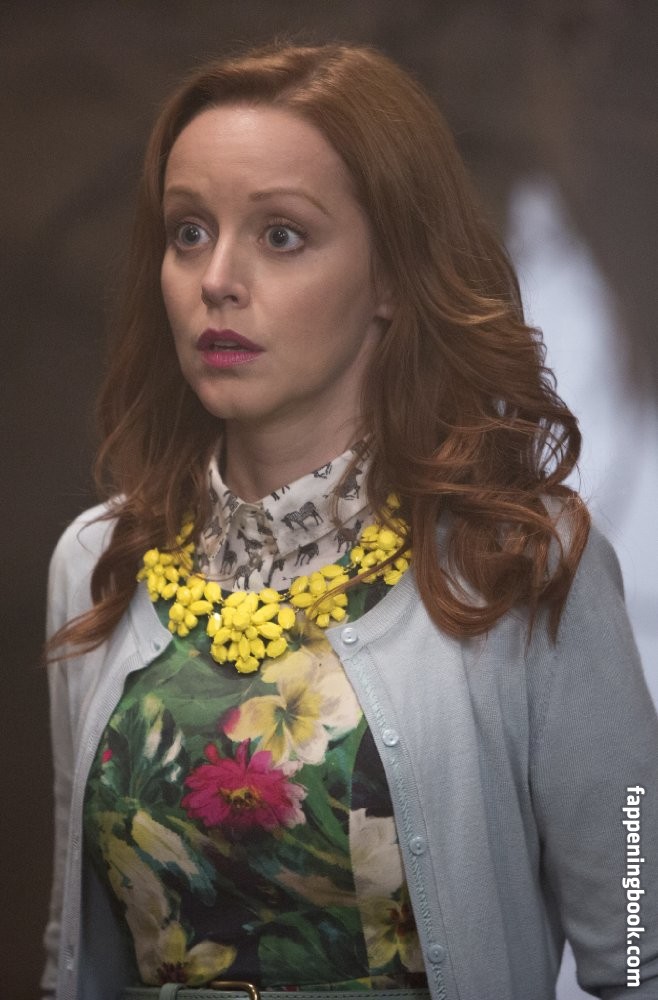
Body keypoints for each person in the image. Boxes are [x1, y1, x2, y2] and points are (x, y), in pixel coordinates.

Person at [42, 42, 658, 1000]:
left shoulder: (519, 559)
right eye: (189, 231)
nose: (217, 279)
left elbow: (639, 930)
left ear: (392, 276)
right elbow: (72, 951)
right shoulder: (97, 561)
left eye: (282, 234)